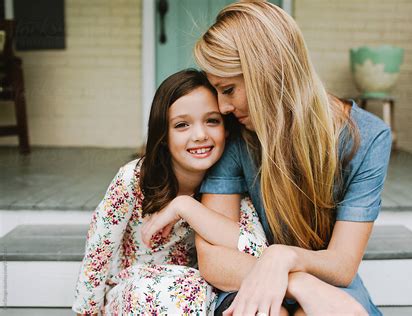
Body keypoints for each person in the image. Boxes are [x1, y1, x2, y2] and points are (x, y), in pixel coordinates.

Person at [189, 1, 392, 315]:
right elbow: (213, 259)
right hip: (245, 276)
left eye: (228, 88)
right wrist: (296, 282)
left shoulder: (368, 137)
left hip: (327, 281)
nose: (223, 106)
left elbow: (341, 264)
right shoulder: (235, 134)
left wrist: (284, 258)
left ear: (267, 72)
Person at [73, 69, 230, 315]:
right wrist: (88, 311)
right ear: (164, 135)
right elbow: (98, 252)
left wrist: (185, 207)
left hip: (196, 297)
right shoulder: (134, 179)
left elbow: (250, 245)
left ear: (226, 128)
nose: (200, 135)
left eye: (212, 120)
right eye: (182, 125)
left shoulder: (227, 182)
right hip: (135, 293)